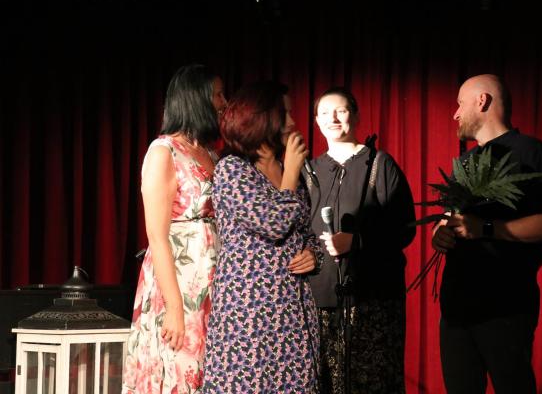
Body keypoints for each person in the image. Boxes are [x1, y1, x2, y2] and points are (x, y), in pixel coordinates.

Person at [432, 74, 542, 394]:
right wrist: (440, 233)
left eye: (460, 104)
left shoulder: (530, 152)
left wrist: (486, 228)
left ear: (482, 101)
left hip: (505, 306)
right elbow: (449, 218)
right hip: (456, 309)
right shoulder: (464, 162)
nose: (455, 113)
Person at [202, 82, 321, 393]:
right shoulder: (232, 170)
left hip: (293, 311)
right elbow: (273, 223)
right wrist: (291, 174)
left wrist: (313, 254)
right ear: (261, 118)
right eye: (285, 114)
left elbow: (305, 232)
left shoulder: (289, 168)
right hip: (250, 314)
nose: (292, 122)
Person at [122, 64, 227, 394]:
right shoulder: (163, 151)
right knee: (181, 364)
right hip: (181, 280)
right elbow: (157, 235)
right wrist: (175, 308)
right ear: (197, 98)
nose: (224, 103)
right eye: (218, 95)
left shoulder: (211, 153)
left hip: (216, 278)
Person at [307, 87, 416, 394]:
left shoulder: (379, 164)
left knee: (372, 383)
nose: (333, 118)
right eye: (325, 113)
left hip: (374, 298)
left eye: (340, 111)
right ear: (316, 121)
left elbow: (404, 228)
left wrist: (357, 241)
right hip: (322, 300)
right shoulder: (308, 171)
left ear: (355, 115)